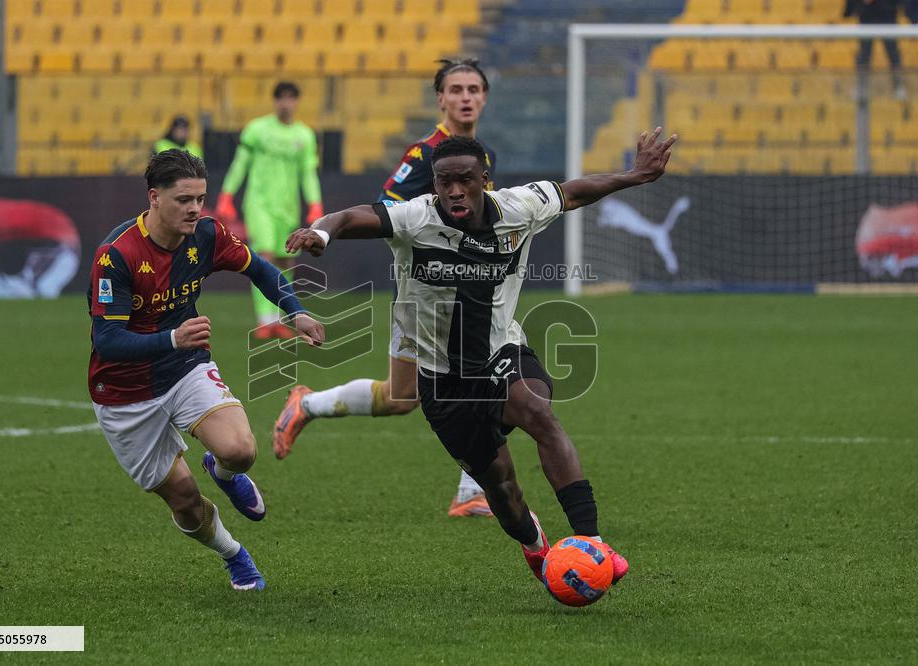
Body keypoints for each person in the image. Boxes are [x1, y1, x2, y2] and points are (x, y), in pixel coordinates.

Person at [284, 129, 677, 590]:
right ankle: (535, 546)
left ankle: (593, 542)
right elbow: (350, 217)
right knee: (504, 490)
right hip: (443, 382)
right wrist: (322, 233)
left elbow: (573, 191)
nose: (454, 190)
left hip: (500, 352)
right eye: (444, 181)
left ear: (483, 180)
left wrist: (633, 176)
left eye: (465, 180)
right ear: (434, 184)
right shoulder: (415, 218)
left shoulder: (519, 207)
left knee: (538, 412)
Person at [87, 149, 324, 590]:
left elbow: (261, 269)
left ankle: (225, 471)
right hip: (124, 391)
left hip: (182, 368)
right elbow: (107, 341)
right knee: (186, 502)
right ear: (154, 198)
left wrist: (295, 311)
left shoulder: (207, 235)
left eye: (200, 198)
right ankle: (234, 554)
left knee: (241, 450)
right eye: (184, 199)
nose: (195, 208)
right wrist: (172, 337)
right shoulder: (116, 255)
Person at [273, 59, 500, 518]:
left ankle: (307, 404)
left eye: (474, 88)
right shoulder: (424, 156)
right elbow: (384, 211)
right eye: (455, 89)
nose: (465, 97)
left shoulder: (482, 155)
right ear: (440, 98)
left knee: (402, 397)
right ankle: (471, 490)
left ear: (484, 97)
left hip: (465, 290)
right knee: (480, 376)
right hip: (427, 294)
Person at [216, 81, 323, 339]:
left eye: (291, 98)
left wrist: (314, 203)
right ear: (274, 101)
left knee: (286, 259)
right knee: (264, 257)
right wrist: (227, 194)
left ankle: (278, 318)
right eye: (281, 98)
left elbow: (308, 174)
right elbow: (240, 163)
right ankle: (264, 319)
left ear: (297, 102)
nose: (286, 103)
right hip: (259, 203)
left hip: (287, 207)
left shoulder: (304, 136)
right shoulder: (257, 130)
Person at [844, 0, 911, 99]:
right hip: (866, 15)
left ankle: (899, 87)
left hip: (888, 13)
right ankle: (861, 87)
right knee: (864, 54)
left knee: (893, 53)